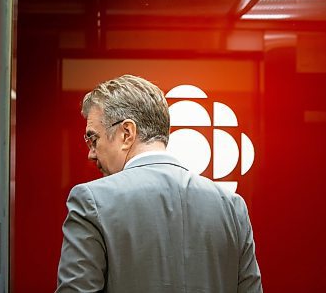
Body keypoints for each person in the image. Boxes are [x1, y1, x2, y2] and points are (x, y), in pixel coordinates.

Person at [56, 75, 263, 292]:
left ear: (127, 133)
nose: (91, 153)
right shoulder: (231, 207)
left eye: (93, 139)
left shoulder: (91, 201)